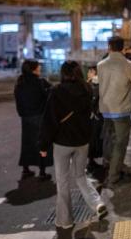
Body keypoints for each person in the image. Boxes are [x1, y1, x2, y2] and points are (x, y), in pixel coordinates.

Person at [40, 61, 108, 229]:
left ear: (63, 73)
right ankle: (97, 203)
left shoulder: (57, 92)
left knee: (62, 181)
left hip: (62, 143)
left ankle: (65, 221)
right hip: (82, 142)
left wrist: (43, 145)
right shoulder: (87, 89)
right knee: (81, 176)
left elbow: (49, 120)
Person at [97, 36, 131, 186]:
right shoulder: (129, 65)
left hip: (105, 109)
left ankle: (111, 166)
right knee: (120, 143)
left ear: (109, 46)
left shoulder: (100, 65)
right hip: (121, 109)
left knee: (109, 140)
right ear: (123, 48)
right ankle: (113, 175)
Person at [14, 60, 53, 179]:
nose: (40, 67)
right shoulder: (40, 82)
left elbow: (18, 101)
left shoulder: (20, 83)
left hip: (26, 117)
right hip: (40, 117)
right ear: (33, 69)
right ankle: (42, 171)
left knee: (27, 142)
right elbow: (50, 95)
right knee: (42, 143)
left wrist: (22, 113)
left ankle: (26, 169)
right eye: (38, 66)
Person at [86, 66, 104, 174]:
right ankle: (92, 162)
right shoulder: (95, 83)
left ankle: (91, 162)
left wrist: (93, 112)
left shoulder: (93, 84)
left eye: (89, 71)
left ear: (93, 72)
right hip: (98, 115)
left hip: (94, 116)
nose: (88, 73)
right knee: (96, 139)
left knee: (94, 139)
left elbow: (92, 99)